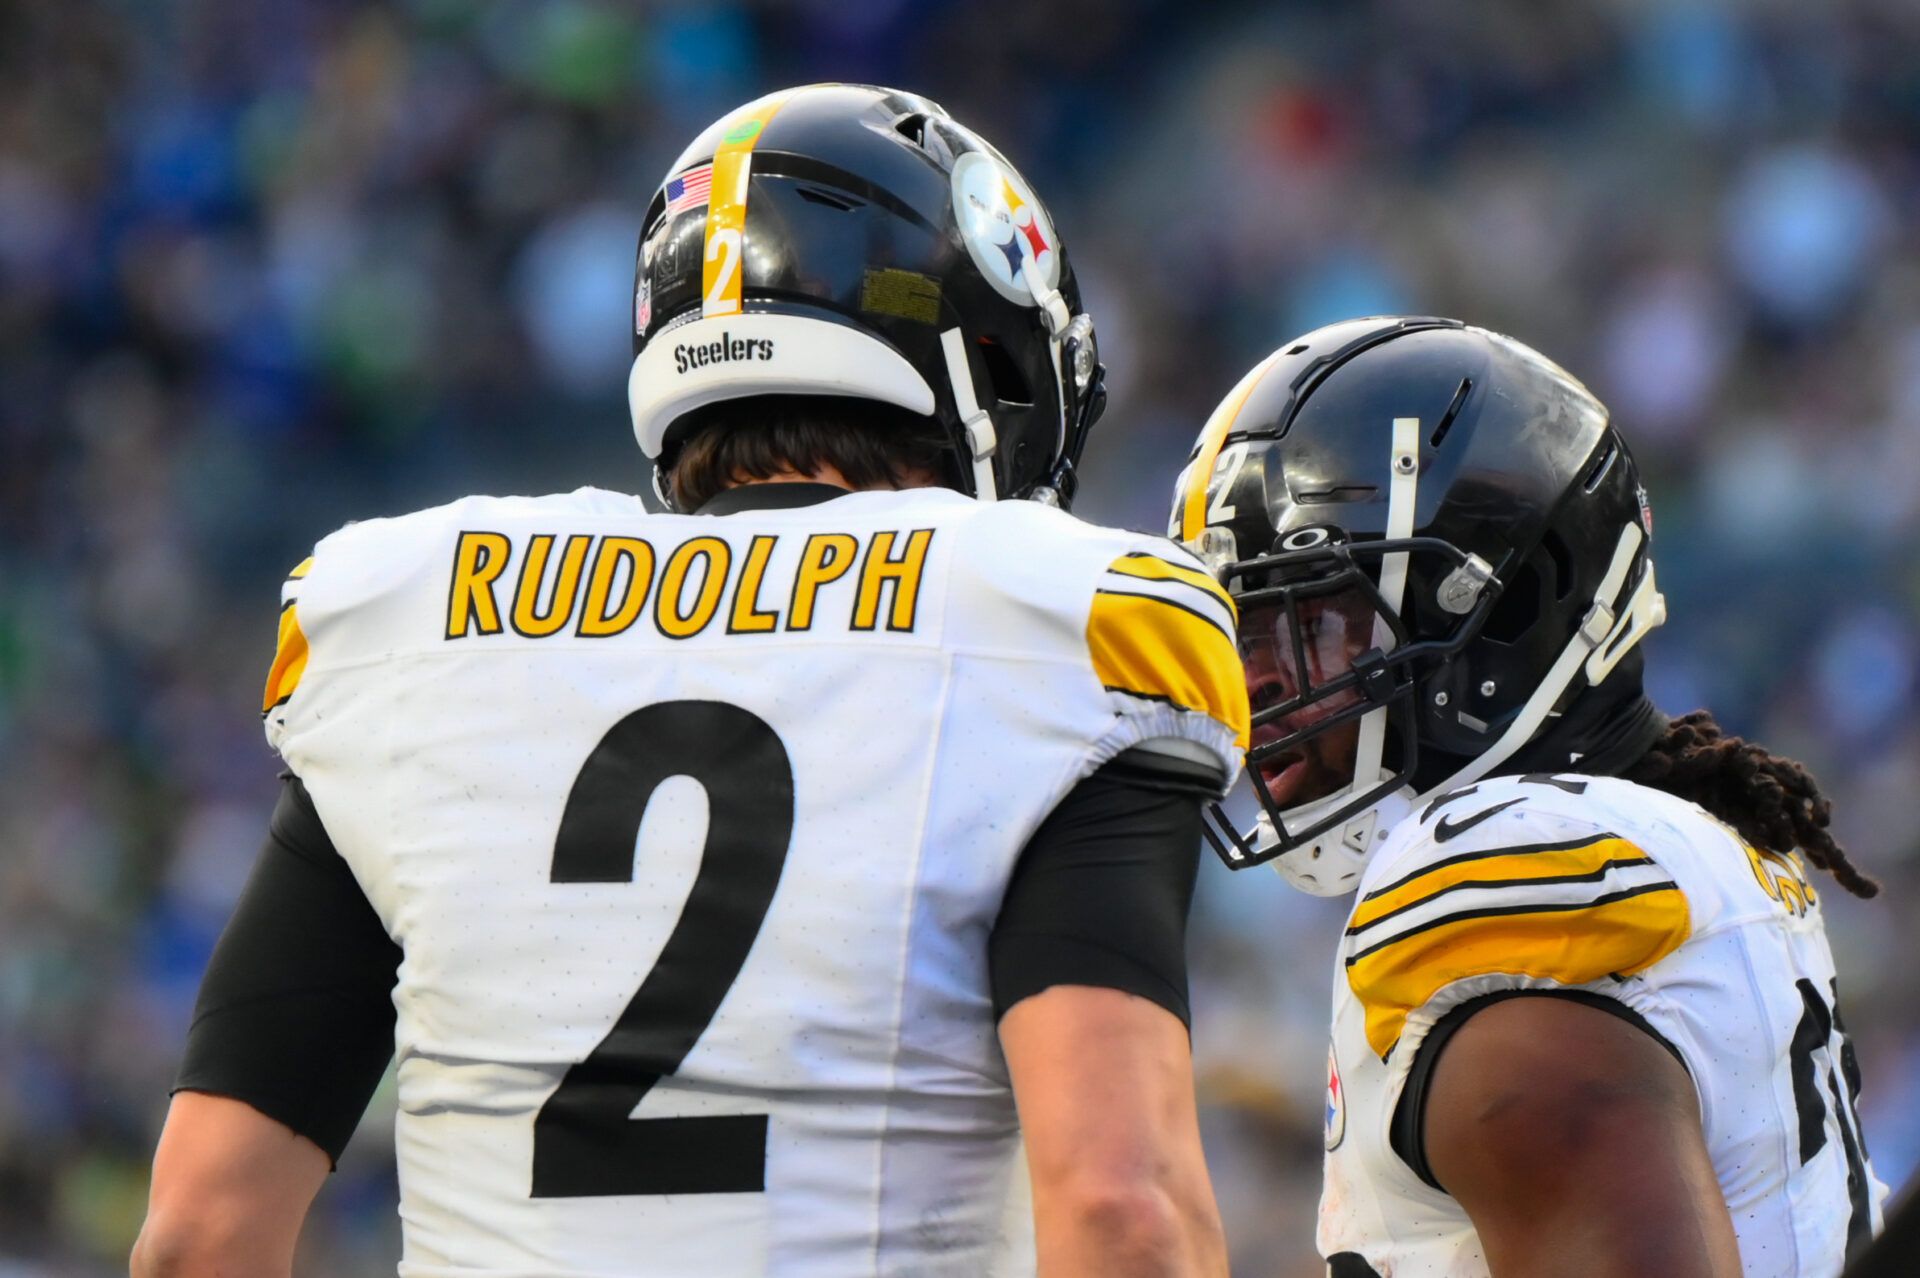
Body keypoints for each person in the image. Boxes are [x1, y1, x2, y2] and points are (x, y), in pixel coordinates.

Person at [132, 84, 1244, 1278]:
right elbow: (1125, 1213)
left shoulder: (415, 627)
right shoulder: (1045, 625)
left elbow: (201, 1234)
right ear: (977, 367)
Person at [1171, 316, 1888, 1278]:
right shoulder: (1675, 845)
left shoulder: (1499, 874)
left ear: (1508, 610)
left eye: (1308, 623)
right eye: (1238, 634)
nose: (1252, 684)